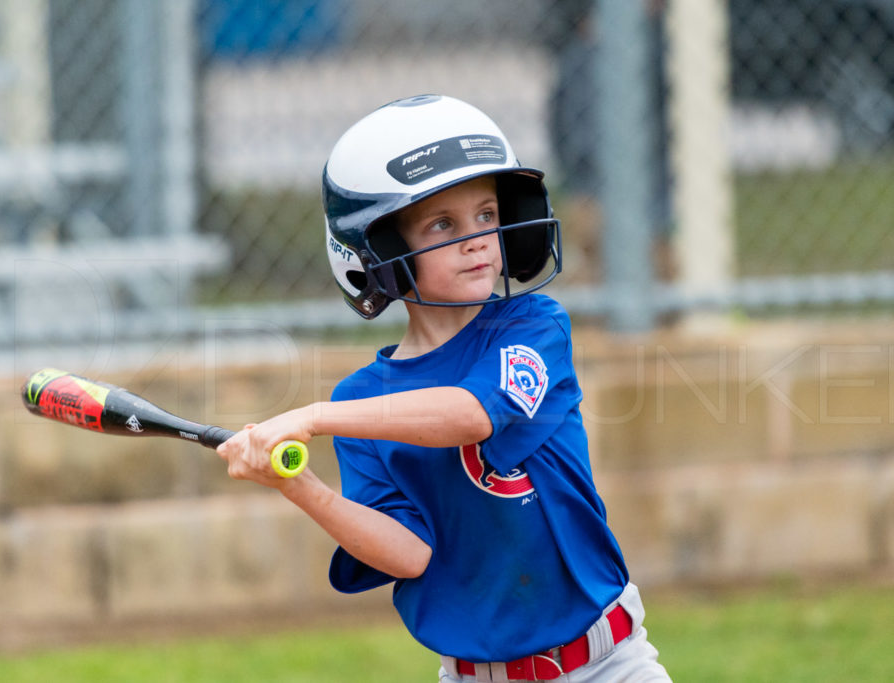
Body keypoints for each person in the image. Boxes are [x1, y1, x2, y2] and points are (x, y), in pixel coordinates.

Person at [217, 94, 673, 682]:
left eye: (487, 215)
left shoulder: (533, 326)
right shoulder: (360, 402)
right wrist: (299, 485)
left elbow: (471, 414)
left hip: (609, 664)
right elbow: (410, 553)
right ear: (381, 255)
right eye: (442, 225)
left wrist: (313, 416)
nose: (478, 238)